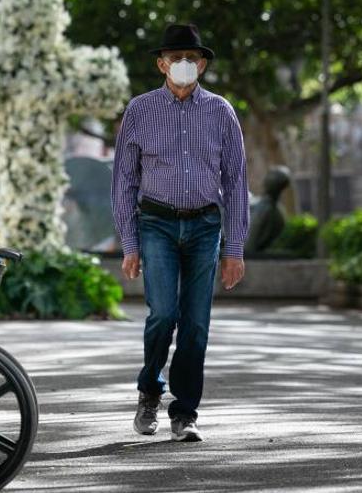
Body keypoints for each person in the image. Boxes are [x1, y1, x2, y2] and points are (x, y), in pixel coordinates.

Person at [111, 24, 249, 442]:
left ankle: (184, 412)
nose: (183, 65)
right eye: (175, 58)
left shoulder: (222, 112)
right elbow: (123, 180)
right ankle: (150, 389)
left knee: (196, 324)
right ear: (161, 64)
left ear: (202, 64)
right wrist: (130, 243)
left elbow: (237, 179)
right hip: (156, 223)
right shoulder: (139, 110)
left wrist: (235, 247)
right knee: (163, 315)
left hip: (206, 224)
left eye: (191, 58)